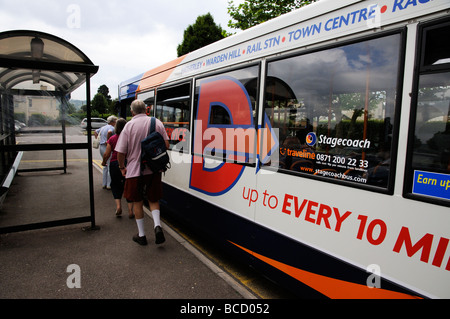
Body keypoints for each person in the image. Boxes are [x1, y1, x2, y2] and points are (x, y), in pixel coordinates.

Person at [115, 100, 169, 246]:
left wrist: (121, 167)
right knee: (153, 199)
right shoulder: (156, 123)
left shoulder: (129, 126)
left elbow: (121, 152)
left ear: (132, 112)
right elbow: (166, 145)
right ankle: (157, 226)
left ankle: (142, 235)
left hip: (134, 171)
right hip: (154, 169)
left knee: (138, 201)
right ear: (146, 110)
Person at [101, 118, 134, 219]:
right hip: (128, 163)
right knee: (128, 186)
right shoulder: (130, 138)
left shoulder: (112, 139)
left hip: (115, 163)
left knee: (115, 185)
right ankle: (130, 211)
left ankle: (119, 207)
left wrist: (104, 162)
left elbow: (106, 153)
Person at [95, 115, 118, 189]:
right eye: (115, 121)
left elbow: (95, 132)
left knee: (105, 165)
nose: (116, 122)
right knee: (109, 165)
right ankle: (109, 184)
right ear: (112, 121)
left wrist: (98, 139)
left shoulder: (103, 127)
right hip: (107, 147)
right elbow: (109, 132)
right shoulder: (111, 128)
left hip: (101, 147)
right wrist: (108, 141)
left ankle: (104, 183)